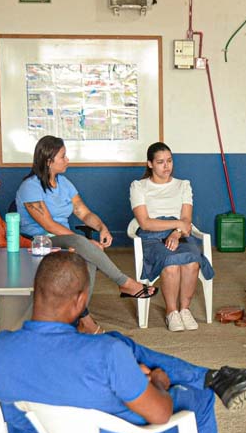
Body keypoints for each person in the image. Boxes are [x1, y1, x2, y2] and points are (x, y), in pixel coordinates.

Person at [0, 252, 246, 433]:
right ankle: (214, 383)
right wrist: (158, 382)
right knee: (197, 399)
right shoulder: (106, 355)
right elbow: (160, 413)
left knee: (120, 341)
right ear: (82, 301)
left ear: (35, 292)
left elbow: (13, 420)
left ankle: (217, 377)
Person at [16, 135, 156, 332]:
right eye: (63, 157)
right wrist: (85, 242)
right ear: (49, 161)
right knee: (83, 245)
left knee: (88, 257)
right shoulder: (30, 186)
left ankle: (80, 318)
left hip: (64, 238)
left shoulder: (64, 183)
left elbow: (84, 212)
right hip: (38, 241)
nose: (68, 160)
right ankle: (124, 283)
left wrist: (102, 228)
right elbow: (48, 224)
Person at [130, 142, 214, 332]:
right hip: (151, 237)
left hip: (181, 235)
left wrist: (176, 233)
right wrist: (176, 225)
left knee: (193, 261)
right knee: (171, 262)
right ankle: (171, 312)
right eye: (160, 162)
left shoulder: (183, 185)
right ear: (150, 164)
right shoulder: (139, 186)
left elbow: (186, 219)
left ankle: (184, 309)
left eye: (169, 161)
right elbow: (145, 223)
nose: (166, 166)